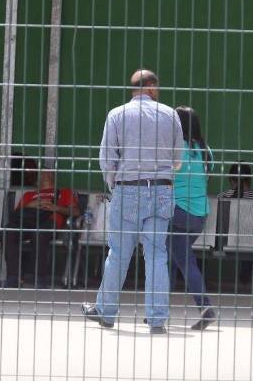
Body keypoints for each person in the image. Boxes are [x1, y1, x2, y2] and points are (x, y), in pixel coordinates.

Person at [81, 69, 183, 334]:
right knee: (157, 255)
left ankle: (106, 311)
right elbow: (178, 159)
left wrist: (115, 183)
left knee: (118, 254)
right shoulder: (171, 114)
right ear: (150, 87)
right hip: (161, 189)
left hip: (128, 188)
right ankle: (157, 318)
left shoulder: (117, 114)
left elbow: (107, 157)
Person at [168, 106, 216, 330]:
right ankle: (158, 310)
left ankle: (205, 308)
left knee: (181, 261)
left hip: (178, 213)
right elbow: (207, 176)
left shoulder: (174, 150)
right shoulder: (206, 151)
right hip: (200, 215)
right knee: (174, 258)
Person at [2, 159, 80, 288]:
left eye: (49, 174)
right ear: (38, 178)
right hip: (27, 222)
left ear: (54, 177)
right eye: (43, 174)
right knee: (8, 233)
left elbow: (76, 212)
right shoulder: (29, 195)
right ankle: (14, 277)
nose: (46, 176)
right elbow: (16, 215)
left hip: (49, 222)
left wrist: (57, 208)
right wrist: (31, 204)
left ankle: (40, 277)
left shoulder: (64, 193)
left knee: (39, 234)